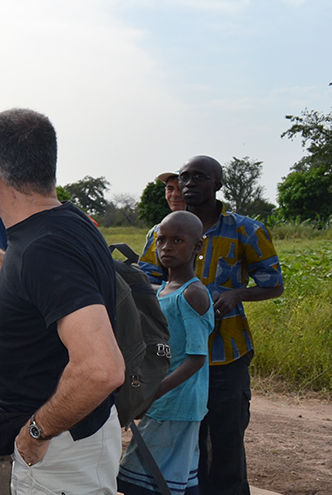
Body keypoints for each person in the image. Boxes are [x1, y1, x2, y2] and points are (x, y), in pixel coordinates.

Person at [0, 108, 125, 493]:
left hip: (60, 449)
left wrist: (37, 432)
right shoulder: (66, 222)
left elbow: (101, 368)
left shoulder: (44, 248)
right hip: (74, 438)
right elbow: (35, 288)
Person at [138, 155, 284, 495]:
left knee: (226, 443)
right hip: (176, 358)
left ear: (218, 184)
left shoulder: (246, 230)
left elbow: (273, 283)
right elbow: (146, 282)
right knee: (184, 443)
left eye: (199, 177)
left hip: (225, 357)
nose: (188, 183)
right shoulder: (162, 231)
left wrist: (236, 295)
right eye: (184, 177)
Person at [118, 211, 214, 495]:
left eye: (177, 240)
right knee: (177, 477)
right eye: (161, 240)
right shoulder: (162, 291)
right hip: (165, 401)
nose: (166, 248)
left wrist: (150, 394)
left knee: (147, 478)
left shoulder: (192, 294)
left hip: (178, 404)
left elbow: (197, 358)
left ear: (198, 246)